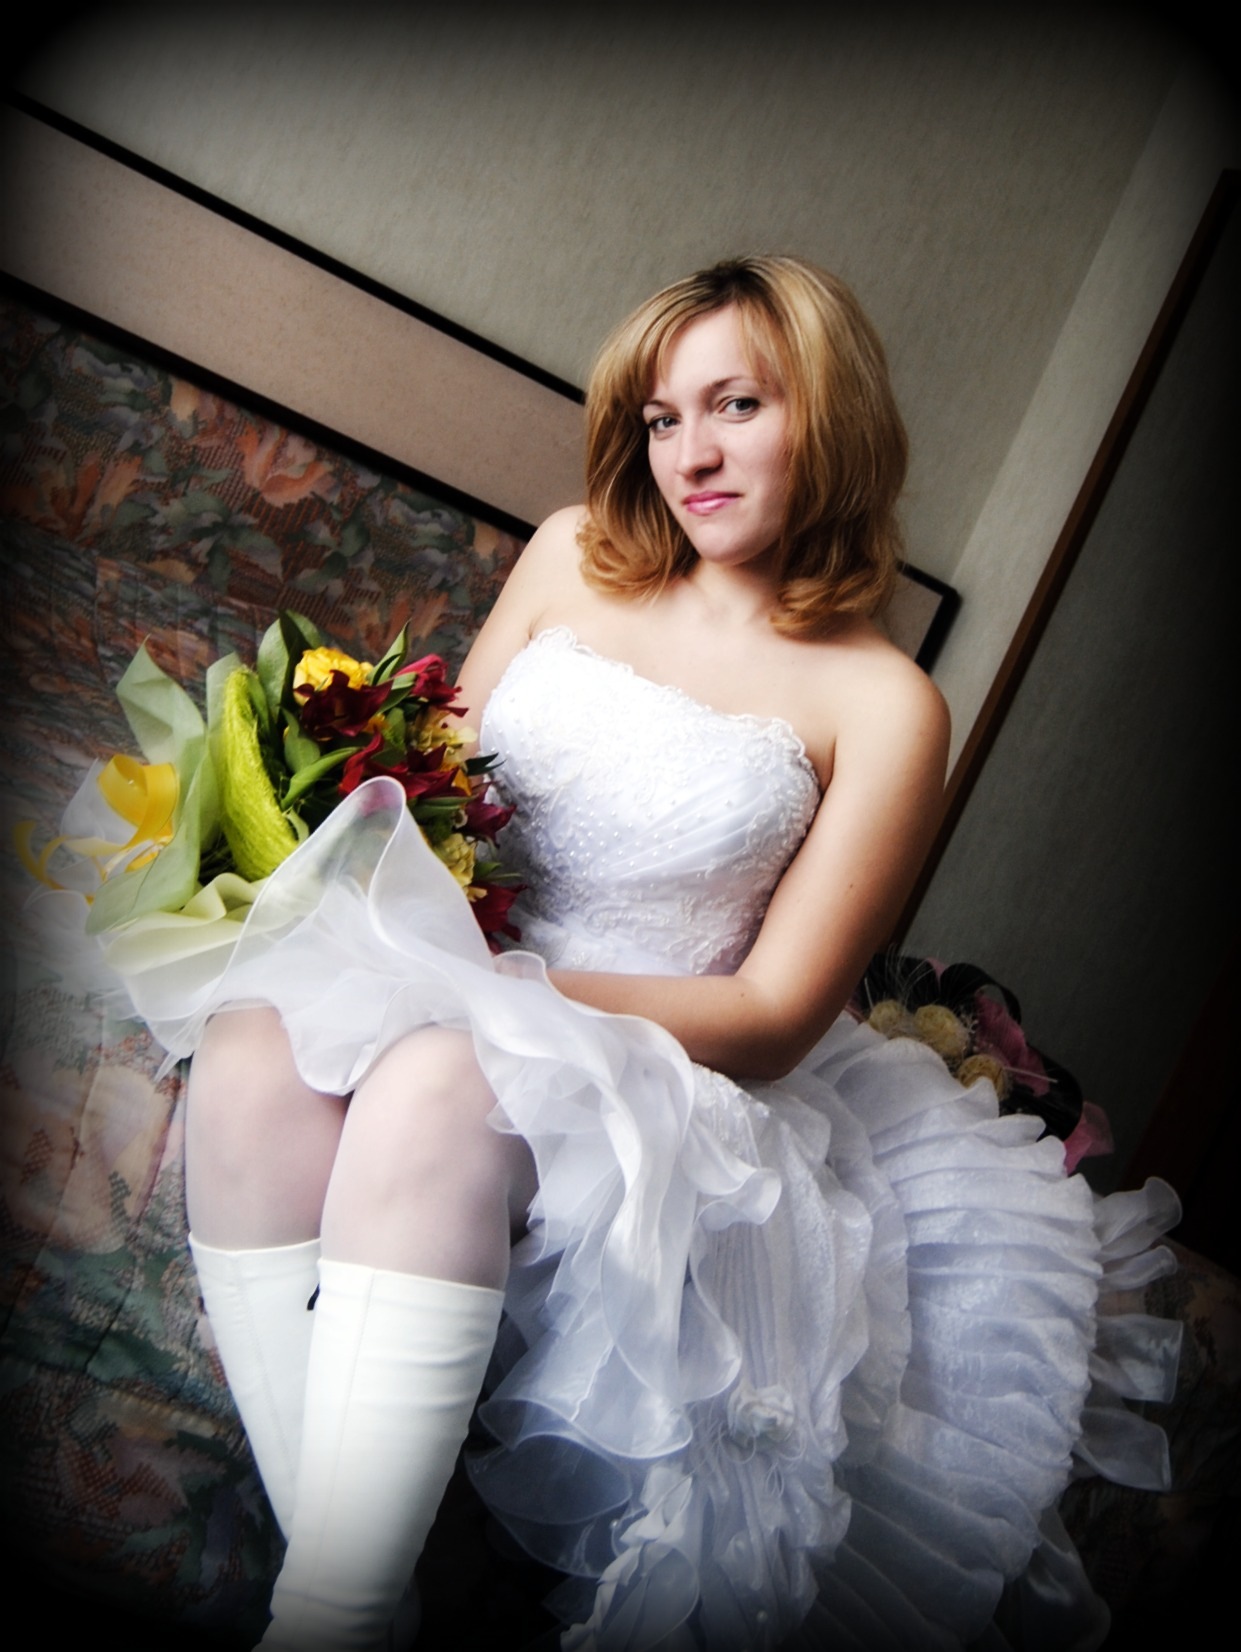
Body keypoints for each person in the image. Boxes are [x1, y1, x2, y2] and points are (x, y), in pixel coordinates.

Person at [135, 256, 1179, 1650]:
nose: (689, 454)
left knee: (442, 1080)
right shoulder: (571, 551)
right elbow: (440, 799)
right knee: (253, 1032)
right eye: (661, 417)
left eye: (736, 405)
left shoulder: (885, 701)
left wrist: (511, 996)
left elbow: (774, 1012)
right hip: (463, 964)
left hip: (657, 1047)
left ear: (829, 418)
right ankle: (343, 1605)